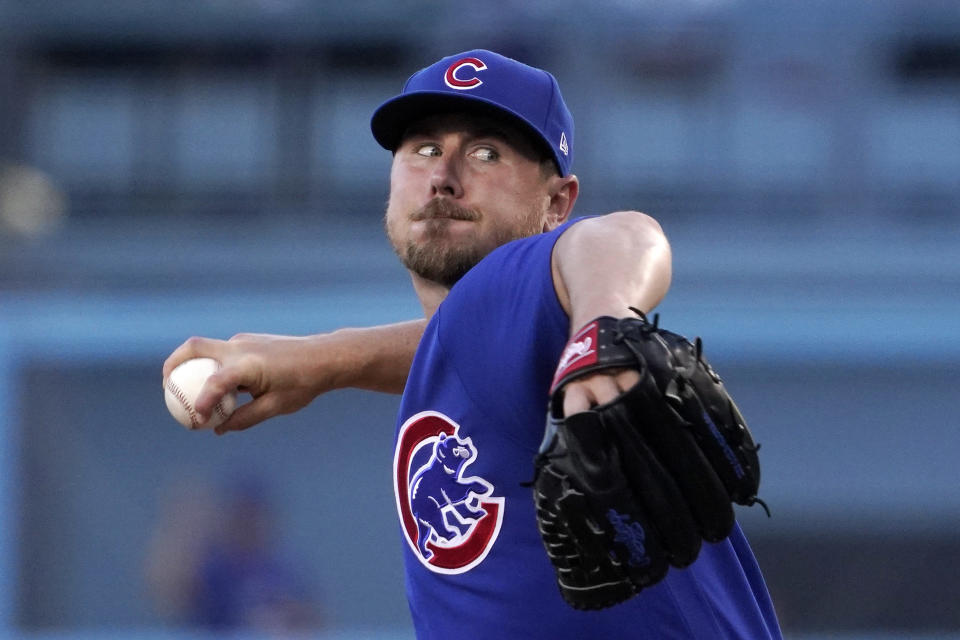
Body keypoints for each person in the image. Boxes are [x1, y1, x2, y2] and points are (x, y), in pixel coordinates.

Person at [164, 49, 782, 639]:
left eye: (486, 153)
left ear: (556, 203)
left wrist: (603, 330)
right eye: (424, 148)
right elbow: (456, 345)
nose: (443, 177)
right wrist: (324, 360)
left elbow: (622, 236)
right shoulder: (481, 348)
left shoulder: (524, 286)